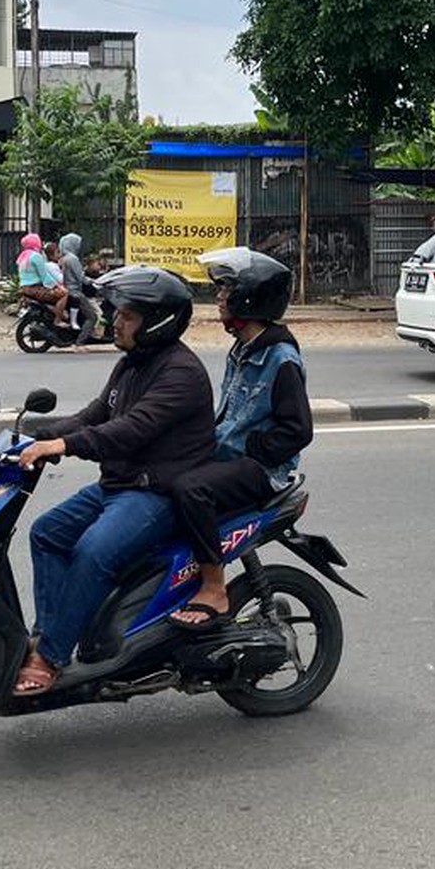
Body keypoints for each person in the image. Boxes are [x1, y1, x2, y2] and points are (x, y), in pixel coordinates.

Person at [12, 265, 216, 695]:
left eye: (126, 316)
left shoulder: (181, 373)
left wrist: (63, 448)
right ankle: (51, 631)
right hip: (119, 486)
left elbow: (130, 429)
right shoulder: (132, 365)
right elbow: (94, 415)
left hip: (154, 493)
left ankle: (50, 656)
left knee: (92, 552)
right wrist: (35, 434)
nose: (114, 321)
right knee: (46, 532)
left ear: (156, 322)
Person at [168, 246, 313, 629]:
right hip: (232, 458)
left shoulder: (280, 358)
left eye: (226, 289)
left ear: (250, 296)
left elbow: (299, 430)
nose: (219, 297)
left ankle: (214, 588)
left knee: (191, 489)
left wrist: (250, 450)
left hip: (261, 470)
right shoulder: (244, 349)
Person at [16, 232, 70, 329]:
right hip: (35, 288)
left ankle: (53, 310)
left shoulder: (23, 256)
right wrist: (57, 286)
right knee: (64, 294)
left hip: (25, 288)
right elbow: (44, 276)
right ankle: (57, 320)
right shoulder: (36, 256)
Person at [58, 231, 100, 347]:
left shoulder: (64, 258)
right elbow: (80, 277)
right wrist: (93, 282)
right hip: (75, 292)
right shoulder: (72, 259)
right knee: (93, 317)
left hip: (67, 291)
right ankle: (80, 342)